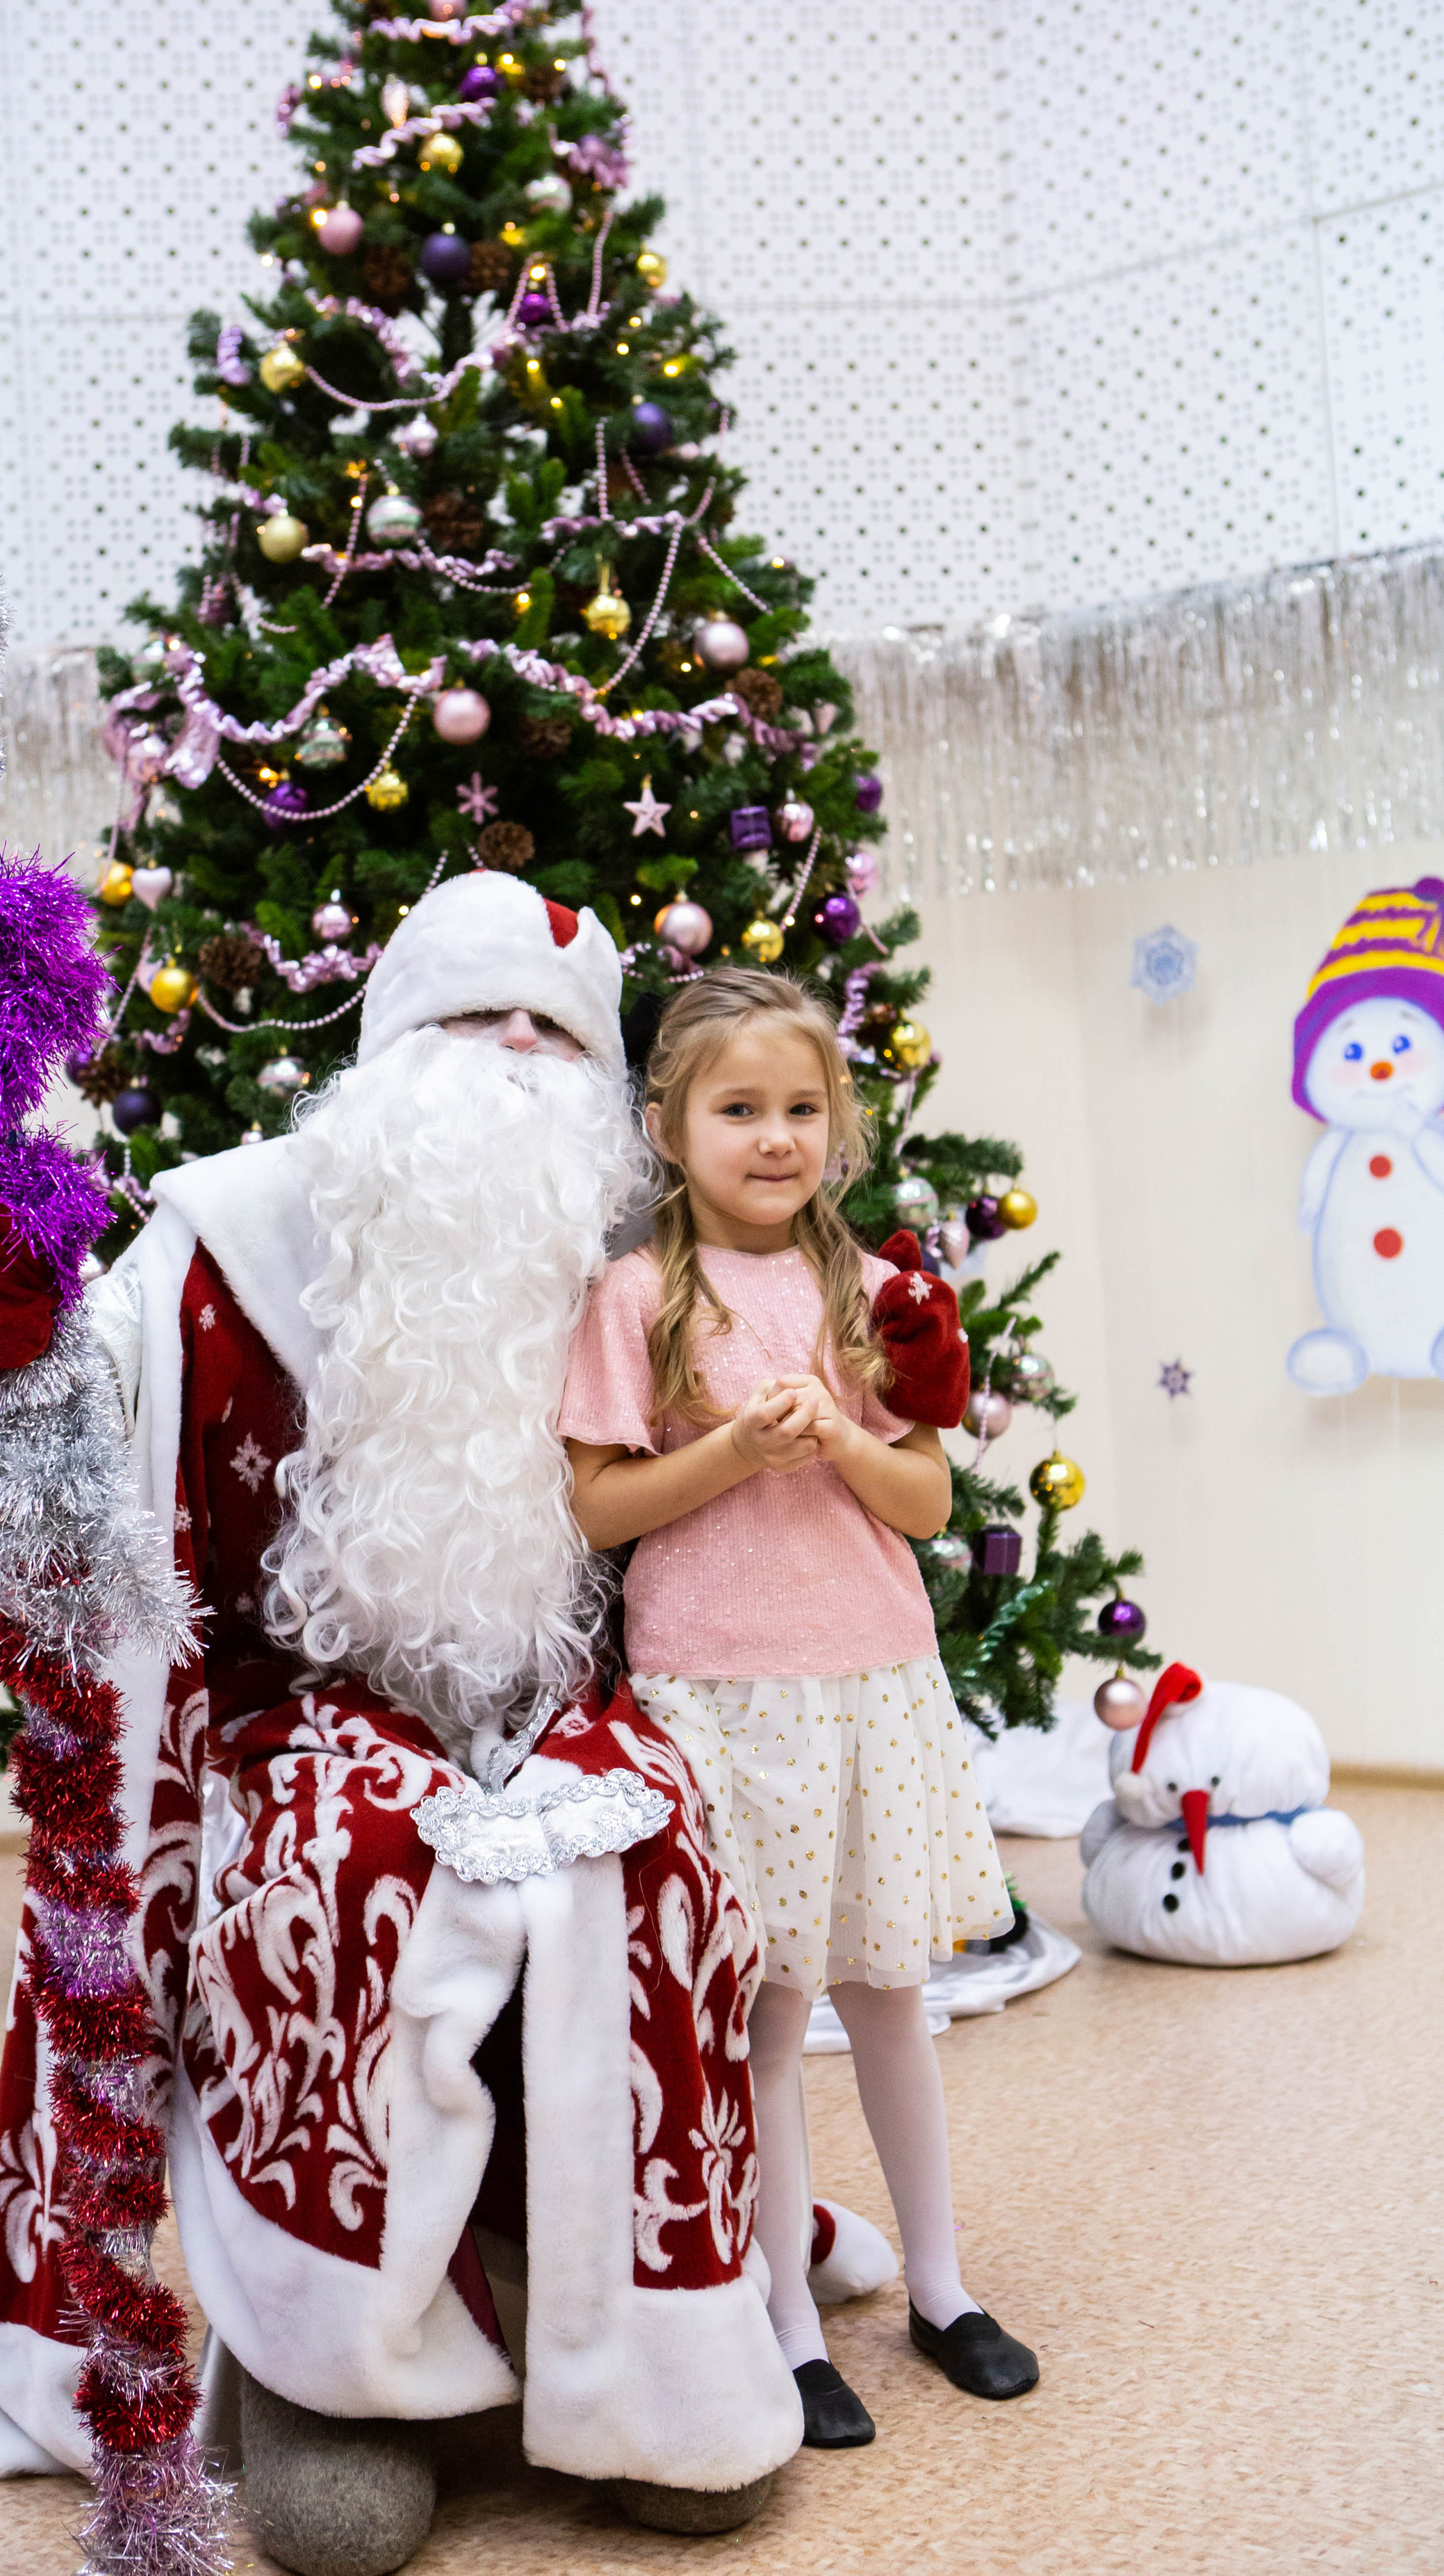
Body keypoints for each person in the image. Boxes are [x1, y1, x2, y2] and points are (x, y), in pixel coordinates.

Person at [0, 874, 821, 2576]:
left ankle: (650, 2363)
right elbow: (39, 1483)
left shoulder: (638, 1254)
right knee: (350, 1866)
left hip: (560, 1704)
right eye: (471, 1023)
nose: (510, 1062)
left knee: (656, 1855)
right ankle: (339, 2378)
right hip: (293, 1713)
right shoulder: (232, 1241)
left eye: (551, 1034)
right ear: (384, 1050)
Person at [560, 965, 1040, 2452]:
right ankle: (780, 2323)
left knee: (886, 2001)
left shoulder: (864, 1290)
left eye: (798, 1109)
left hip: (868, 1680)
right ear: (665, 1127)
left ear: (836, 1125)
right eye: (735, 1109)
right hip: (718, 1692)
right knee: (764, 2018)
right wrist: (727, 1458)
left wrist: (833, 1431)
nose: (771, 1137)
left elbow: (923, 1494)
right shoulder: (637, 1295)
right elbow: (596, 1507)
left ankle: (942, 2288)